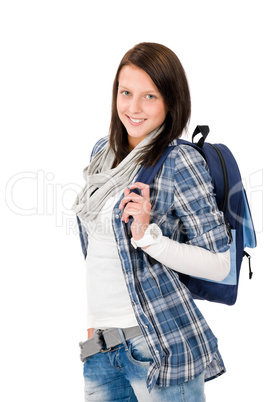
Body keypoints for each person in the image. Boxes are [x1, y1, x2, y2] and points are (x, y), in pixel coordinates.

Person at [72, 42, 231, 402]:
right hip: (100, 350)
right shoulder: (103, 154)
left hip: (158, 348)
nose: (133, 108)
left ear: (171, 102)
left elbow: (221, 265)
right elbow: (100, 258)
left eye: (150, 96)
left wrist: (147, 236)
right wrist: (94, 329)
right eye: (126, 93)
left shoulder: (180, 162)